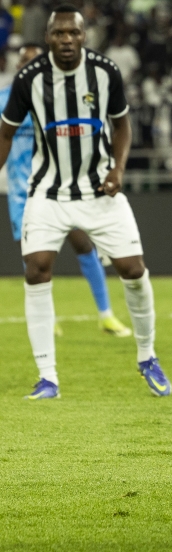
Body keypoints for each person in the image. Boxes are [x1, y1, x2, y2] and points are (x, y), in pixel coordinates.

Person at [0, 5, 170, 400]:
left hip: (99, 190)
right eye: (58, 33)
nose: (66, 40)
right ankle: (48, 378)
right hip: (47, 192)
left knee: (133, 269)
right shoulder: (29, 78)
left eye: (73, 33)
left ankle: (147, 355)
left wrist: (119, 169)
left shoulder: (105, 72)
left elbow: (122, 124)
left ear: (83, 36)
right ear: (48, 38)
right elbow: (6, 134)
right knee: (37, 270)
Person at [3, 43, 132, 340]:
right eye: (23, 60)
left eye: (33, 59)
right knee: (34, 261)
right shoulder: (5, 99)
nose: (28, 64)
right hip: (23, 193)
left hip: (60, 188)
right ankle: (47, 321)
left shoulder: (57, 96)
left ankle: (106, 315)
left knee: (84, 246)